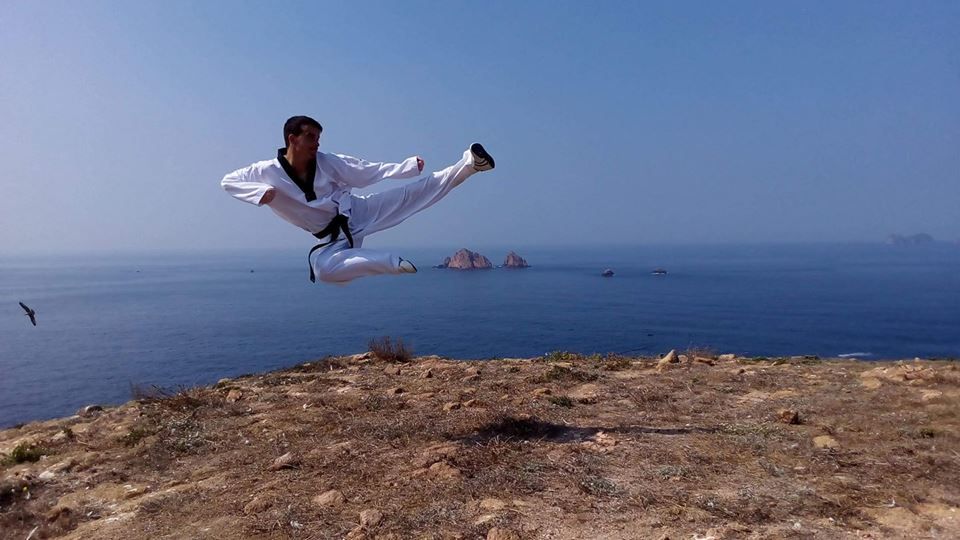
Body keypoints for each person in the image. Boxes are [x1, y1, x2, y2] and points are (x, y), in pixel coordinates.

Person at [221, 116, 495, 284]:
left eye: (319, 137)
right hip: (331, 239)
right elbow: (229, 181)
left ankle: (471, 163)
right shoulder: (265, 171)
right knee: (323, 271)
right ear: (292, 139)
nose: (317, 143)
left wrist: (406, 167)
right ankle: (390, 263)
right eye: (311, 137)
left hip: (356, 212)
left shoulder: (328, 162)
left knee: (417, 195)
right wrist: (258, 194)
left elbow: (366, 171)